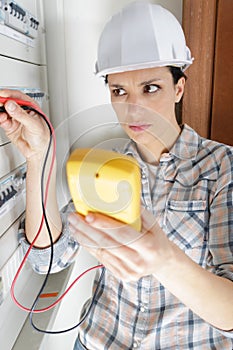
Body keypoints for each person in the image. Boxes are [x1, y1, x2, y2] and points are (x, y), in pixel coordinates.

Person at [0, 1, 233, 349]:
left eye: (150, 88)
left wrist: (165, 260)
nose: (132, 106)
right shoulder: (103, 165)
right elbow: (48, 257)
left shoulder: (221, 166)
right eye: (119, 91)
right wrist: (39, 157)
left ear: (178, 88)